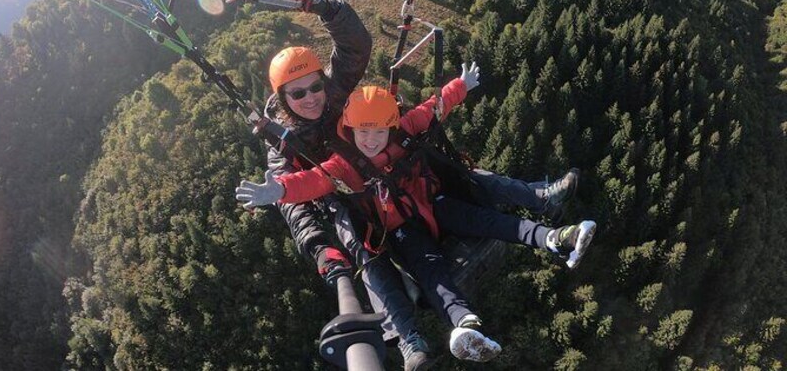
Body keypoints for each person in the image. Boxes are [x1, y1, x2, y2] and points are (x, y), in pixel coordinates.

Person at [237, 63, 597, 362]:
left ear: (391, 126)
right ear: (350, 131)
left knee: (491, 221)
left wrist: (461, 85)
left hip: (433, 202)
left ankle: (558, 238)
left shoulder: (402, 129)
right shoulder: (343, 163)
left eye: (379, 131)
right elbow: (315, 181)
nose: (372, 140)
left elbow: (433, 108)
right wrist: (280, 190)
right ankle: (464, 325)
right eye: (363, 132)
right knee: (431, 272)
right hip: (400, 228)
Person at [260, 0, 437, 370]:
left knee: (436, 180)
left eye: (315, 86)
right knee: (364, 249)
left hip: (381, 173)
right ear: (283, 98)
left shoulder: (335, 95)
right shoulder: (282, 145)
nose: (311, 98)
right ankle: (409, 339)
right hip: (345, 199)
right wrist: (320, 249)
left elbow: (356, 46)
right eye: (298, 93)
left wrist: (325, 8)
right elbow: (292, 203)